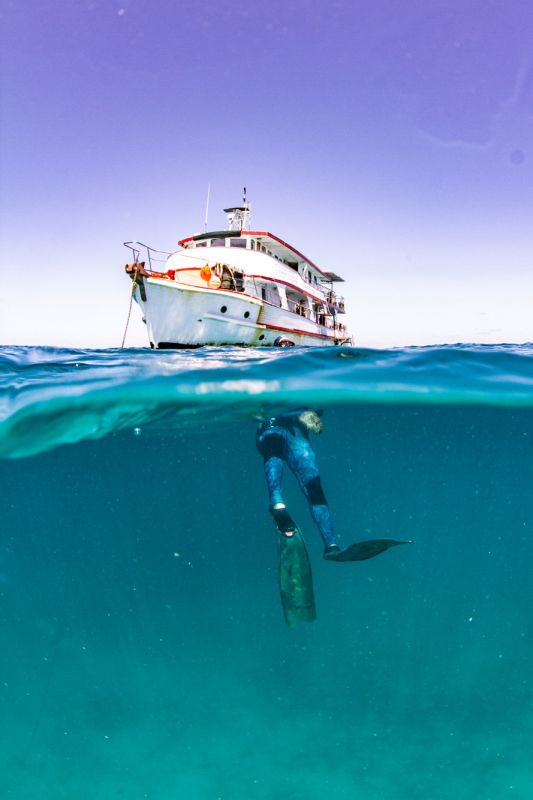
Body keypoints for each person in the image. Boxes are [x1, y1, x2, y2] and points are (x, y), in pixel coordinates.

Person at [256, 409, 409, 562]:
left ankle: (331, 545)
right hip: (273, 425)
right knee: (274, 446)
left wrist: (306, 413)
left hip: (293, 429)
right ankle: (277, 504)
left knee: (312, 482)